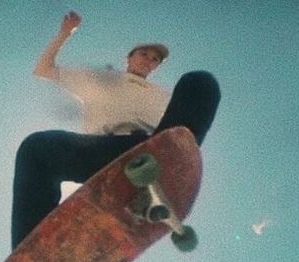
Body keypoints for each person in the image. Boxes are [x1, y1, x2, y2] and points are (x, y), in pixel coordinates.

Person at [11, 10, 220, 249]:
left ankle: (166, 174)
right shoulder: (102, 80)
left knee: (200, 82)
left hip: (152, 153)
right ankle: (31, 253)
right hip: (104, 156)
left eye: (155, 59)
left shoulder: (163, 96)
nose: (148, 60)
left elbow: (190, 115)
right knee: (35, 149)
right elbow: (44, 69)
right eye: (143, 54)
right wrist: (64, 33)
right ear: (129, 58)